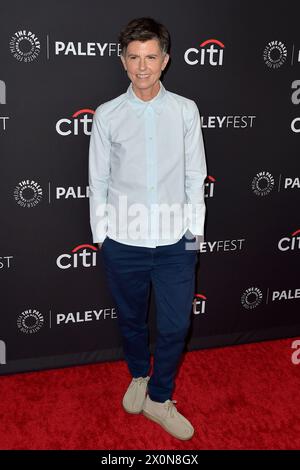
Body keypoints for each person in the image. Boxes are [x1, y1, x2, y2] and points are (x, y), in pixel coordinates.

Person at [88, 17, 207, 441]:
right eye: (134, 58)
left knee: (176, 325)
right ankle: (139, 374)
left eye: (151, 57)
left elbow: (196, 177)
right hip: (124, 241)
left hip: (177, 242)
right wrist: (103, 237)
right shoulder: (108, 115)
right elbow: (97, 181)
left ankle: (159, 396)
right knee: (132, 320)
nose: (143, 66)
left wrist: (195, 235)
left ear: (165, 60)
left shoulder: (185, 110)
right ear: (123, 62)